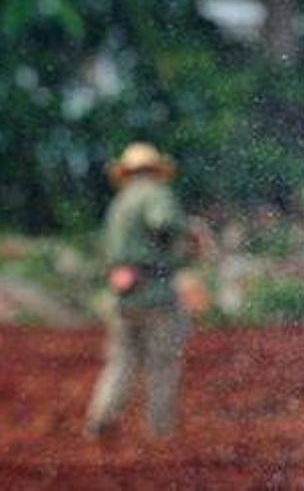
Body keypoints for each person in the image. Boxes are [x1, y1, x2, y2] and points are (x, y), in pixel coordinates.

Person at [85, 142, 191, 438]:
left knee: (121, 360)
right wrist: (183, 241)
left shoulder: (119, 203)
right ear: (155, 170)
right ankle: (160, 429)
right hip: (155, 292)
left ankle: (102, 418)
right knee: (162, 362)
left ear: (126, 172)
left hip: (121, 293)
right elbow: (164, 223)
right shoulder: (156, 194)